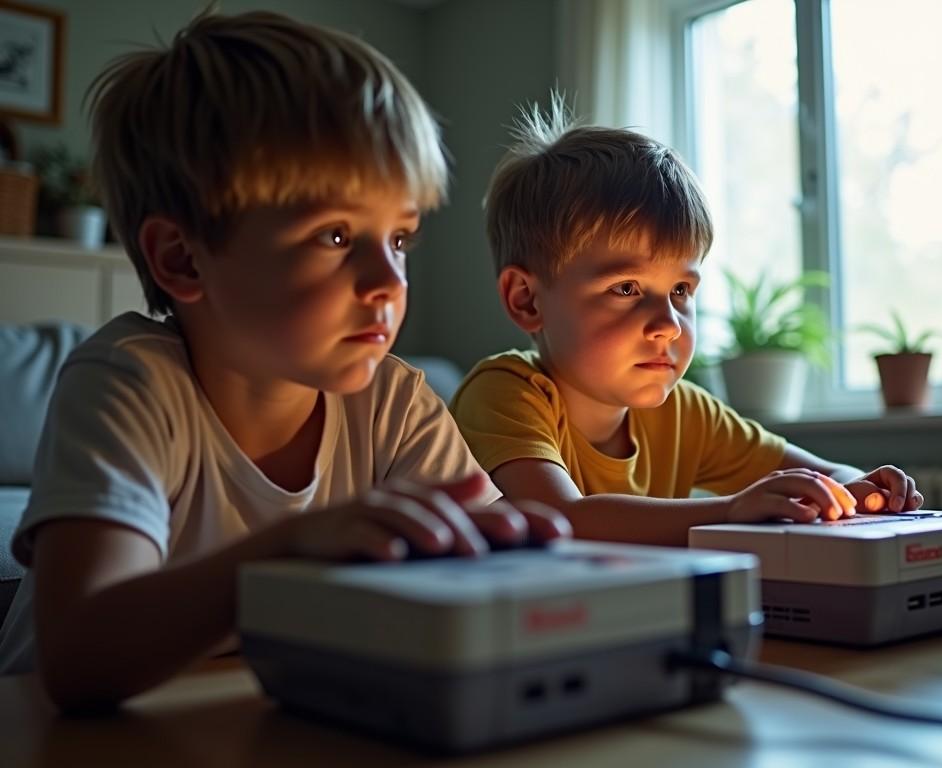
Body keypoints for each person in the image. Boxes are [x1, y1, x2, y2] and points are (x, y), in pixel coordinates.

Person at [0, 11, 570, 709]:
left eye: (399, 238)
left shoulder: (393, 401)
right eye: (335, 235)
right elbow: (78, 654)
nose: (389, 282)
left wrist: (511, 547)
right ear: (182, 258)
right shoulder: (129, 384)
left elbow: (483, 551)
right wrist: (288, 553)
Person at [451, 97, 923, 547]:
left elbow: (827, 474)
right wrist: (731, 510)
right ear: (527, 300)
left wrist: (858, 489)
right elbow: (562, 521)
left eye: (681, 291)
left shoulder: (683, 412)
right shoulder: (504, 393)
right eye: (627, 289)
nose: (669, 324)